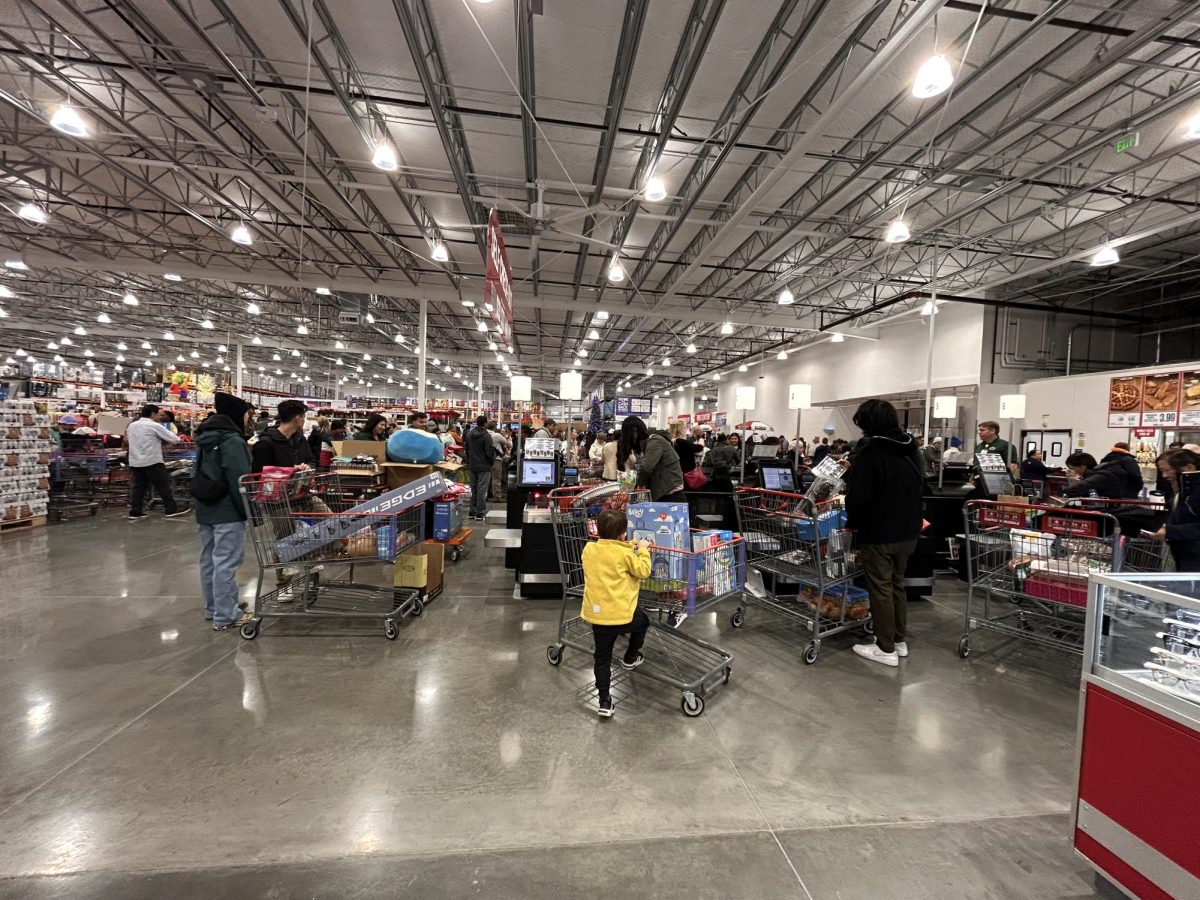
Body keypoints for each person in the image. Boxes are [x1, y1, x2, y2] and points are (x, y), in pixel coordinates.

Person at [844, 399, 924, 668]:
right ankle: (898, 641)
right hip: (909, 529)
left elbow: (859, 498)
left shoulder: (870, 451)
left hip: (879, 531)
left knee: (879, 588)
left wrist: (852, 522)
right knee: (896, 584)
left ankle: (884, 647)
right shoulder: (911, 449)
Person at [581, 508, 652, 718]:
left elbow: (610, 555)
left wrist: (628, 546)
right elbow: (643, 571)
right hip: (622, 615)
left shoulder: (589, 550)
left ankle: (604, 701)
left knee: (602, 658)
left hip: (598, 616)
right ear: (623, 533)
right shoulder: (625, 554)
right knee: (644, 622)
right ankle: (630, 657)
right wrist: (643, 550)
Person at [193, 392, 255, 632]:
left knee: (209, 559)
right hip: (228, 508)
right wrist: (247, 510)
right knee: (226, 562)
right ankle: (226, 614)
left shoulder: (205, 438)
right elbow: (239, 480)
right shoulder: (232, 441)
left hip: (205, 506)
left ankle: (214, 607)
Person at [126, 404, 189, 520]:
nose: (160, 417)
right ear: (152, 414)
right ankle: (171, 510)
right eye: (158, 414)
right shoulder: (154, 426)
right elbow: (174, 439)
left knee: (138, 488)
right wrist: (178, 437)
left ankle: (135, 511)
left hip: (135, 461)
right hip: (152, 460)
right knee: (164, 486)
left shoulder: (132, 426)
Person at [617, 416, 684, 501]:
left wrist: (637, 483)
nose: (631, 440)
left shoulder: (655, 441)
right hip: (666, 491)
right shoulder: (651, 442)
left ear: (635, 430)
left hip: (670, 494)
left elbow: (646, 467)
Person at [1156, 449, 1200, 571]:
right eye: (1162, 471)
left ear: (1189, 467)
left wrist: (1169, 531)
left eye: (1167, 470)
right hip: (1185, 554)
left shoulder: (1193, 492)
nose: (1164, 476)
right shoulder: (1182, 492)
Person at [251, 399, 314, 472]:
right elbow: (258, 473)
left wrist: (308, 467)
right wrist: (290, 470)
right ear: (298, 419)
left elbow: (311, 460)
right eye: (303, 417)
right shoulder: (265, 443)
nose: (304, 421)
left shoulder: (300, 439)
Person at [465, 415, 497, 522]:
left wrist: (470, 460)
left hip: (473, 465)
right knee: (482, 490)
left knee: (473, 489)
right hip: (484, 466)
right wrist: (491, 462)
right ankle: (480, 513)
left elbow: (467, 450)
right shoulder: (486, 436)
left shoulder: (469, 434)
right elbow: (489, 453)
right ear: (485, 423)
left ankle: (472, 512)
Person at [489, 421, 511, 500]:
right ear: (495, 427)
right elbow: (505, 442)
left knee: (487, 478)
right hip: (496, 459)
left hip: (485, 460)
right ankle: (497, 496)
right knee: (496, 478)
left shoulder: (483, 434)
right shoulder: (496, 435)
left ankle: (487, 495)